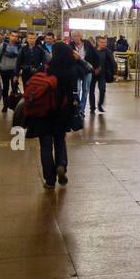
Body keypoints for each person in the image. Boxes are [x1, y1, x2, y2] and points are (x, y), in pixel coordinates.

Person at [25, 41, 80, 190]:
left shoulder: (48, 67)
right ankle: (61, 165)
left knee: (45, 145)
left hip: (45, 110)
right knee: (60, 140)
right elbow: (87, 70)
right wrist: (78, 58)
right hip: (63, 110)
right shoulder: (72, 69)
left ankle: (49, 180)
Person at [0, 31, 21, 112]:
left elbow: (21, 59)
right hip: (4, 69)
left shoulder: (19, 47)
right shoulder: (3, 45)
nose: (14, 38)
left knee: (14, 88)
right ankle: (5, 105)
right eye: (12, 36)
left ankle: (14, 106)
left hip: (14, 71)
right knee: (5, 87)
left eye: (16, 36)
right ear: (9, 36)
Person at [87, 35, 115, 113]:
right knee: (91, 91)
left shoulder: (107, 51)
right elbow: (88, 60)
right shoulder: (92, 50)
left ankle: (100, 105)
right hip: (92, 73)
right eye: (102, 42)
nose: (104, 44)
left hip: (102, 74)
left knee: (102, 89)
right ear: (97, 42)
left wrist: (115, 73)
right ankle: (92, 108)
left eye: (105, 42)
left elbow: (113, 62)